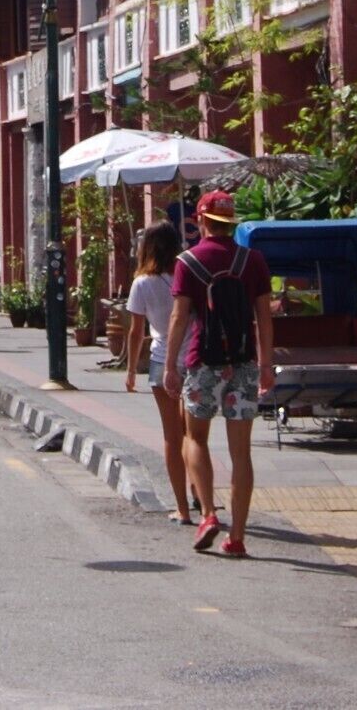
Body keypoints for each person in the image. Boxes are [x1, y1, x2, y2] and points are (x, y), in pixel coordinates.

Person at [163, 190, 276, 557]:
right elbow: (264, 317)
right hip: (243, 363)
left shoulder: (188, 261)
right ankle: (237, 537)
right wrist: (265, 365)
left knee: (195, 438)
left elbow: (179, 317)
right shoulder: (253, 260)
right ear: (231, 222)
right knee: (241, 452)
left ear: (201, 220)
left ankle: (209, 514)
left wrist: (170, 366)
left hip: (203, 362)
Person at [121, 221, 196, 526]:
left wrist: (130, 370)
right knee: (194, 434)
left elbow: (135, 331)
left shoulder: (142, 283)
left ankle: (182, 508)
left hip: (161, 361)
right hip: (194, 360)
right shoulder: (188, 274)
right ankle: (201, 494)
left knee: (171, 436)